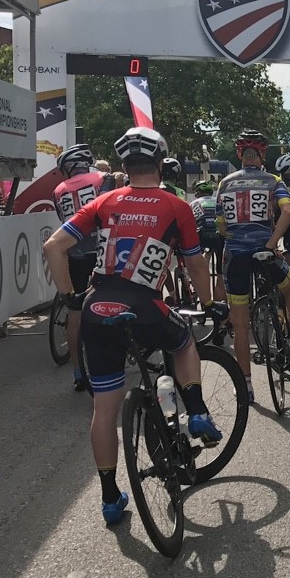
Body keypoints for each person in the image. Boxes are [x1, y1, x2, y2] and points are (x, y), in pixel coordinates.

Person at [42, 127, 228, 525]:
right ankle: (196, 411)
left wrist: (72, 297)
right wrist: (211, 305)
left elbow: (53, 246)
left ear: (123, 167)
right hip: (144, 305)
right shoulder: (175, 205)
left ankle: (110, 499)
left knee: (104, 410)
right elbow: (195, 264)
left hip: (96, 307)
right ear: (161, 164)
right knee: (182, 343)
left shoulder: (106, 201)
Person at [217, 130, 290, 402]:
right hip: (265, 252)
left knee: (241, 325)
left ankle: (246, 386)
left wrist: (234, 236)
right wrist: (271, 243)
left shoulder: (224, 183)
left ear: (240, 155)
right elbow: (288, 212)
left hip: (235, 255)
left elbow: (220, 226)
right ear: (263, 155)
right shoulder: (273, 180)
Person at [51, 143, 116, 390]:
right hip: (103, 250)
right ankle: (110, 362)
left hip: (76, 252)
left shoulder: (58, 190)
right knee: (111, 301)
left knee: (75, 313)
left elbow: (64, 221)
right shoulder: (103, 178)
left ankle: (78, 372)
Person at [190, 177, 225, 304]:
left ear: (197, 193)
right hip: (218, 235)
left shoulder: (193, 204)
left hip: (201, 235)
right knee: (220, 272)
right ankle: (220, 304)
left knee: (197, 265)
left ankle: (196, 291)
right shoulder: (218, 201)